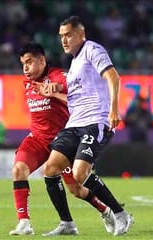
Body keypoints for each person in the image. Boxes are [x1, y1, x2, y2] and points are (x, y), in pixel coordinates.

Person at [38, 16, 134, 236]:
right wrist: (54, 93)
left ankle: (120, 214)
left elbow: (113, 77)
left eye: (68, 35)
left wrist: (114, 109)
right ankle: (67, 224)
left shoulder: (93, 50)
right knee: (50, 169)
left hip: (95, 121)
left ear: (81, 35)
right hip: (74, 124)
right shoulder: (74, 63)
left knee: (81, 174)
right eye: (61, 36)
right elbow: (76, 99)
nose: (64, 40)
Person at [9, 42, 115, 236]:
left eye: (29, 62)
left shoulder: (60, 76)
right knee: (18, 170)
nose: (25, 68)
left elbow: (76, 91)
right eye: (23, 63)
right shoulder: (27, 82)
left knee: (76, 189)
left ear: (42, 60)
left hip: (62, 142)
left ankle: (106, 210)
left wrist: (56, 89)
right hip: (38, 140)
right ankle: (24, 223)